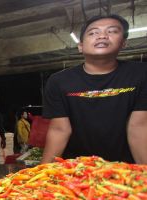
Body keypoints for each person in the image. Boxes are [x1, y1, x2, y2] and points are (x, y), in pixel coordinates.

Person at [41, 14, 147, 164]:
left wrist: (144, 175)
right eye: (93, 32)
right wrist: (43, 174)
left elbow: (139, 126)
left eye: (112, 31)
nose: (102, 36)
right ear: (80, 46)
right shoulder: (59, 81)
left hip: (124, 169)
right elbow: (60, 129)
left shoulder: (141, 74)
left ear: (123, 42)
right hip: (75, 170)